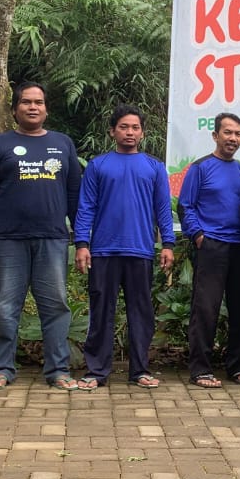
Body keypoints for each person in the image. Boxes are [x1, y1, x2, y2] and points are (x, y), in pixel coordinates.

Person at [0, 82, 81, 391]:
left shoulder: (63, 144)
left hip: (52, 238)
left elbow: (75, 193)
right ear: (15, 109)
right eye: (26, 102)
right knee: (6, 306)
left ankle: (58, 370)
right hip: (6, 239)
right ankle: (2, 368)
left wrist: (83, 238)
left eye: (38, 102)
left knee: (56, 305)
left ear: (46, 109)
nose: (33, 107)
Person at [74, 105, 175, 390]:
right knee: (101, 312)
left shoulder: (154, 167)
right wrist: (82, 243)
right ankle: (96, 371)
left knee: (141, 314)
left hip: (140, 250)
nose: (129, 132)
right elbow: (86, 207)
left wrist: (168, 244)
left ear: (142, 133)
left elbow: (163, 209)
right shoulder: (97, 166)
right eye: (123, 127)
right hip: (103, 251)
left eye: (135, 128)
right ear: (112, 131)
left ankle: (140, 370)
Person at [180, 113, 240, 390]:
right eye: (227, 132)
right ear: (215, 135)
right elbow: (186, 206)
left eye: (237, 134)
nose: (232, 138)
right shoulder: (200, 168)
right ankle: (200, 369)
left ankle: (238, 367)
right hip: (212, 246)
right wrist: (199, 236)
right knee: (206, 308)